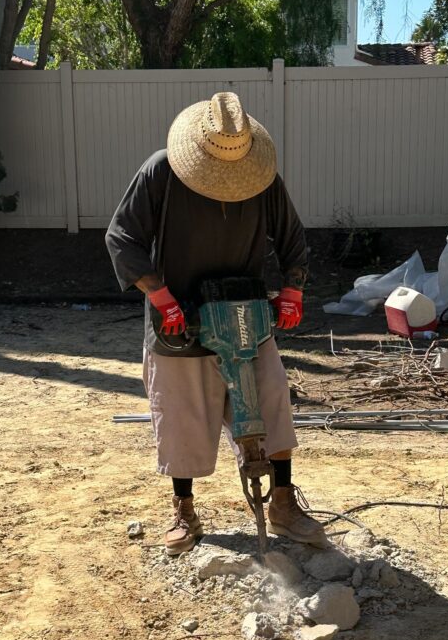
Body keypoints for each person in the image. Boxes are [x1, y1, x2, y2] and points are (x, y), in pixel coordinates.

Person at [106, 91, 327, 556]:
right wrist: (161, 297)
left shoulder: (261, 175)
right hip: (180, 319)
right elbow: (121, 237)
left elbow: (291, 236)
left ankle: (283, 506)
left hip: (246, 314)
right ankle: (184, 512)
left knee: (272, 403)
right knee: (182, 416)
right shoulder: (162, 172)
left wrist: (294, 288)